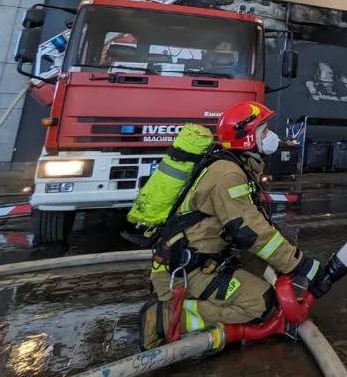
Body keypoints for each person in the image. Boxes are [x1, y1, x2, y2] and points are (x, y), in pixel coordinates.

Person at [138, 101, 332, 350]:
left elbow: (255, 226)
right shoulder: (228, 175)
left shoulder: (232, 166)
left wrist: (285, 264)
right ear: (247, 136)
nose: (270, 136)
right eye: (264, 130)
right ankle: (163, 318)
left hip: (202, 258)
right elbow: (251, 232)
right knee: (261, 302)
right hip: (188, 270)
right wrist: (300, 264)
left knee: (261, 269)